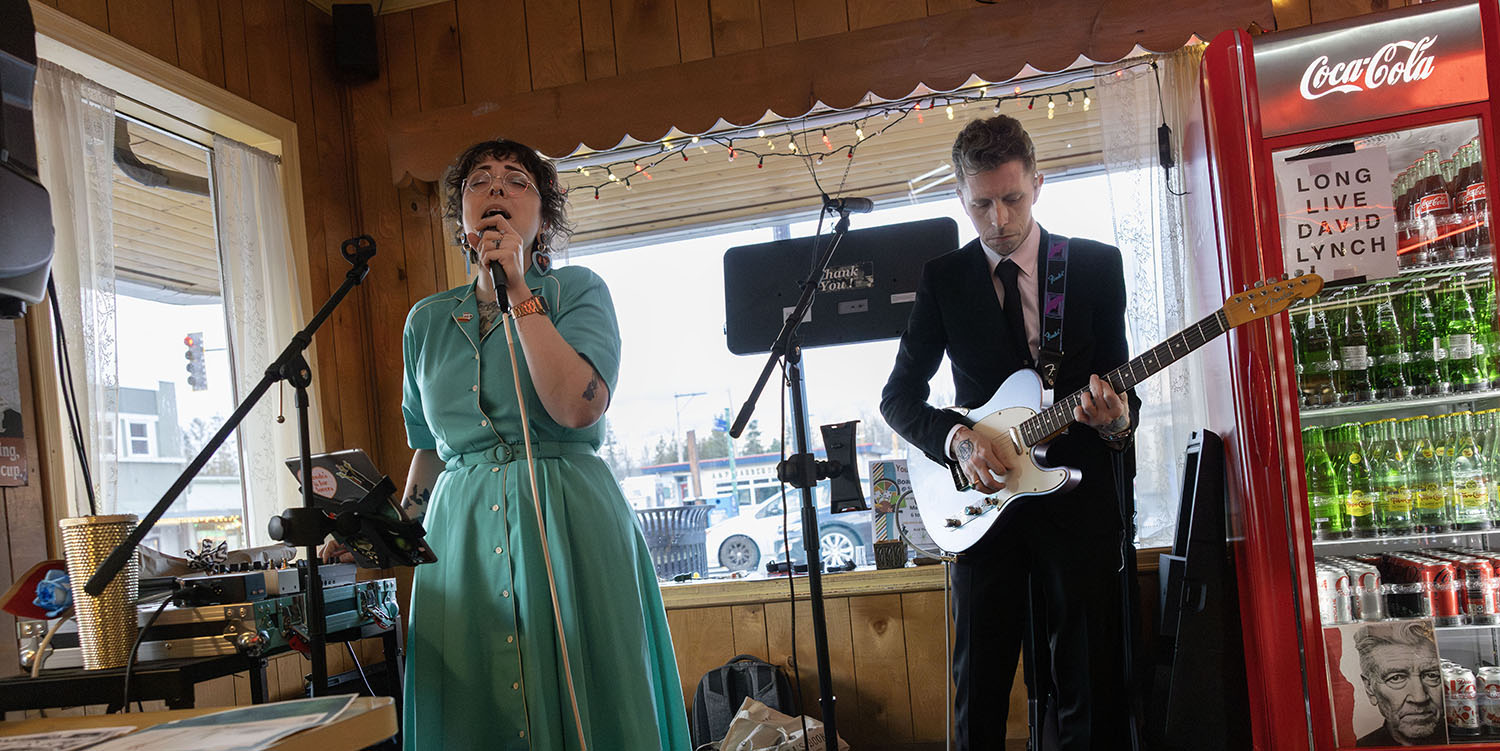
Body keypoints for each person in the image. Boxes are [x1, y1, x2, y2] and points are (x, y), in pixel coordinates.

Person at [390, 138, 689, 750]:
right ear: (460, 219)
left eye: (517, 180)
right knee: (474, 704)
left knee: (591, 691)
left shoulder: (576, 290)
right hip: (460, 534)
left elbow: (575, 406)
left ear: (544, 218)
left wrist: (518, 287)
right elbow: (428, 448)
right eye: (480, 180)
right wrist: (394, 532)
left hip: (568, 515)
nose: (496, 188)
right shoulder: (424, 322)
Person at [880, 115, 1140, 750]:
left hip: (1076, 499)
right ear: (962, 199)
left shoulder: (1096, 267)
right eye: (981, 204)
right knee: (982, 680)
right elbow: (898, 399)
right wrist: (958, 440)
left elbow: (1124, 390)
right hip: (982, 495)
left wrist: (1118, 421)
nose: (998, 219)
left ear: (1038, 184)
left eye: (1012, 198)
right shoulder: (944, 280)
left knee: (1087, 677)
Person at [1354, 621, 1445, 747]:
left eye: (1431, 675)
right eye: (1396, 678)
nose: (1420, 698)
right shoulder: (1359, 748)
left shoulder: (1464, 739)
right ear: (1369, 688)